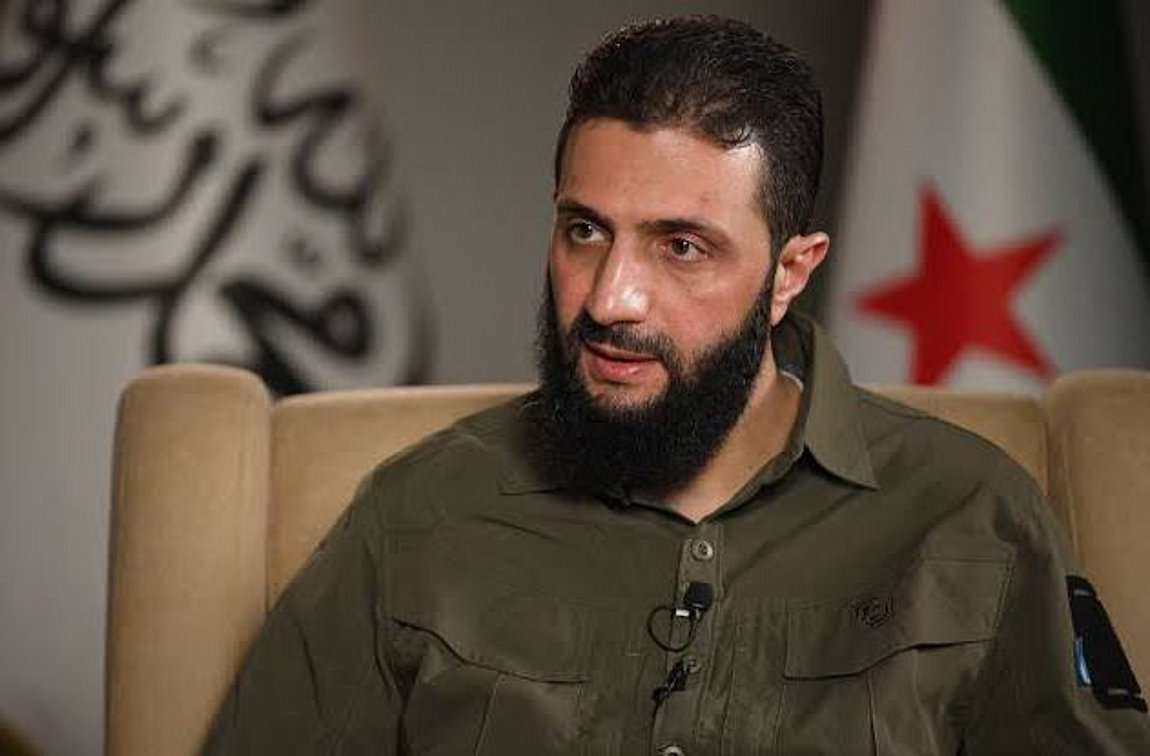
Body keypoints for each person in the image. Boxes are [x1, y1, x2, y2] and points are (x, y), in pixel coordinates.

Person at [204, 16, 1150, 754]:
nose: (609, 298)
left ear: (790, 273)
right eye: (584, 231)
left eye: (682, 247)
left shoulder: (972, 517)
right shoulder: (416, 516)